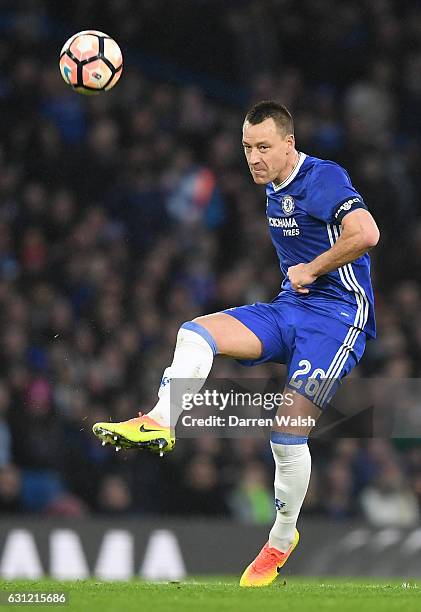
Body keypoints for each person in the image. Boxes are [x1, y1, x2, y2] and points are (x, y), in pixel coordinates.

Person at [93, 101, 379, 586]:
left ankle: (281, 541)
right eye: (247, 148)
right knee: (196, 331)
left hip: (338, 318)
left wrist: (312, 269)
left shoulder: (323, 177)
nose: (254, 158)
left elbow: (366, 233)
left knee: (286, 435)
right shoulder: (272, 186)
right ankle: (161, 421)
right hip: (291, 309)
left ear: (290, 144)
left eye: (264, 147)